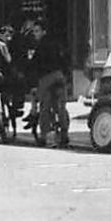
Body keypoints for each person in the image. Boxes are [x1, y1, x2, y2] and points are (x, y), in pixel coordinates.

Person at [28, 20, 71, 148]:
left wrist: (31, 83)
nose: (35, 34)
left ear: (43, 32)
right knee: (61, 107)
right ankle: (64, 135)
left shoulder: (40, 46)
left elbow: (34, 66)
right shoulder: (57, 44)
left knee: (44, 108)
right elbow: (64, 60)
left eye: (37, 31)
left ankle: (43, 136)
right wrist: (66, 77)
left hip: (46, 79)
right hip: (59, 77)